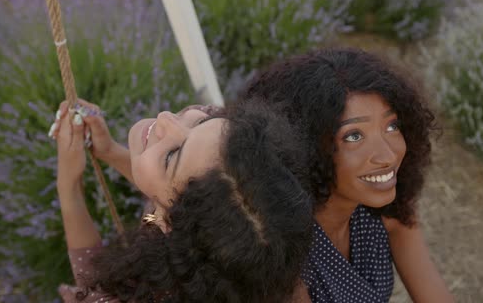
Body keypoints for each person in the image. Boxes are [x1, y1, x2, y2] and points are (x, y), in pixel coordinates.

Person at [239, 48, 454, 302]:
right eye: (354, 136)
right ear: (305, 149)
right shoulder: (281, 251)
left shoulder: (388, 211)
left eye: (391, 126)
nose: (387, 155)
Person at [50, 98, 313, 302]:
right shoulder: (246, 246)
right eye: (200, 124)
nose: (165, 119)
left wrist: (69, 185)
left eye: (170, 157)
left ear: (169, 226)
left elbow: (89, 279)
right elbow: (177, 193)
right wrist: (110, 152)